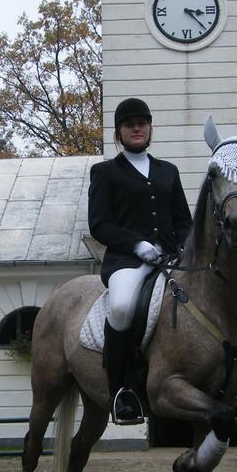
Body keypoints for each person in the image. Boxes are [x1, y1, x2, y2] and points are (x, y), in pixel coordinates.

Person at [88, 98, 192, 424]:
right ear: (119, 132)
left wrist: (188, 249)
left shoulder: (168, 171)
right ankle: (121, 391)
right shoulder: (105, 172)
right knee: (120, 307)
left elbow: (184, 222)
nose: (137, 127)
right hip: (127, 261)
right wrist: (136, 243)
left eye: (142, 122)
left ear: (149, 128)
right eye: (130, 123)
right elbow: (99, 224)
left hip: (171, 258)